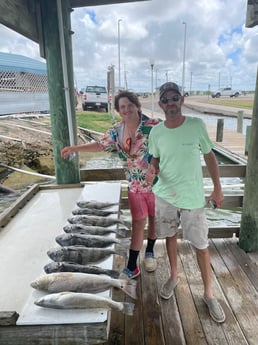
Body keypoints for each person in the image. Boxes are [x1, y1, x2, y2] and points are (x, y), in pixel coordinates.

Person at [147, 82, 226, 323]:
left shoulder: (196, 125)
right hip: (165, 195)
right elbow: (156, 161)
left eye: (174, 98)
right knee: (170, 236)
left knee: (201, 245)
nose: (170, 103)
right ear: (161, 104)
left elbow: (210, 156)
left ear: (181, 99)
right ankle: (174, 275)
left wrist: (217, 188)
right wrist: (152, 170)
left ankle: (209, 293)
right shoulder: (156, 132)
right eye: (166, 100)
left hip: (193, 197)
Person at [61, 90, 160, 279]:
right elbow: (100, 145)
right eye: (122, 107)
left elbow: (169, 144)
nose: (127, 109)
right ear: (118, 110)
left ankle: (150, 251)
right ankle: (132, 266)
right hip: (135, 186)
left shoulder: (153, 125)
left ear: (137, 106)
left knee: (155, 219)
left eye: (130, 105)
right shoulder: (116, 131)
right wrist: (75, 148)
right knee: (138, 223)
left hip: (157, 184)